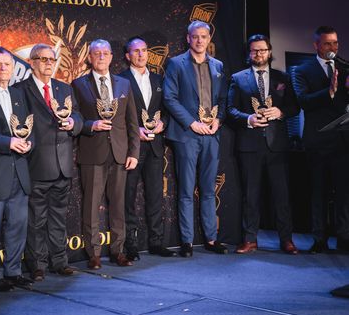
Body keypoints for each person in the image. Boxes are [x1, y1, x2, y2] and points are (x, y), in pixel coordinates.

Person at [15, 44, 83, 282]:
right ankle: (37, 265)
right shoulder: (20, 90)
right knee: (36, 220)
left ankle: (60, 262)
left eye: (51, 60)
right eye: (42, 59)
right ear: (31, 62)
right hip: (37, 164)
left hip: (63, 164)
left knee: (58, 218)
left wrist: (74, 123)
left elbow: (78, 116)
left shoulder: (64, 88)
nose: (48, 64)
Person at [227, 34, 300, 254]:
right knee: (251, 195)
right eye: (254, 50)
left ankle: (286, 239)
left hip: (277, 145)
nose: (259, 54)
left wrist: (281, 112)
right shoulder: (238, 78)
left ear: (269, 52)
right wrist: (248, 119)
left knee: (282, 195)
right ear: (249, 53)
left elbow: (294, 107)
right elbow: (230, 110)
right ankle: (250, 239)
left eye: (262, 50)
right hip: (250, 146)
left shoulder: (283, 77)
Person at [72, 39, 140, 269]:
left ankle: (118, 251)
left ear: (111, 57)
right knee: (91, 206)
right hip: (92, 152)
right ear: (89, 57)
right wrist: (91, 125)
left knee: (119, 205)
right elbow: (75, 118)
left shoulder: (124, 84)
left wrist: (134, 152)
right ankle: (93, 253)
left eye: (105, 53)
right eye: (96, 53)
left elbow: (132, 122)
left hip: (120, 154)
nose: (101, 57)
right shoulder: (78, 84)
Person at [163, 20, 228, 258]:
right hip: (187, 134)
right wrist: (192, 123)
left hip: (211, 134)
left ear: (209, 39)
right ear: (188, 39)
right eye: (195, 36)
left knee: (209, 189)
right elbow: (169, 98)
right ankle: (187, 241)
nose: (200, 40)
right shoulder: (175, 64)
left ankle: (211, 238)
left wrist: (218, 119)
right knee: (186, 190)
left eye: (204, 36)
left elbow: (223, 98)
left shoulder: (218, 65)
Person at [0, 47, 33, 292]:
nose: (3, 68)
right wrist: (7, 142)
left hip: (20, 172)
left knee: (17, 226)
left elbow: (29, 127)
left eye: (7, 64)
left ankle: (14, 271)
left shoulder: (19, 94)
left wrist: (28, 143)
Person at [292, 26, 349, 253]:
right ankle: (319, 239)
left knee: (344, 193)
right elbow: (303, 101)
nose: (332, 47)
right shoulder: (302, 70)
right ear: (316, 45)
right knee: (319, 192)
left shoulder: (345, 68)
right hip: (317, 141)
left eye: (335, 43)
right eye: (327, 43)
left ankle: (344, 237)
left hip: (342, 141)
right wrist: (330, 91)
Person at [118, 37, 176, 260]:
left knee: (155, 196)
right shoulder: (120, 80)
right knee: (128, 196)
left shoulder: (159, 79)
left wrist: (164, 124)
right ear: (128, 56)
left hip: (155, 147)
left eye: (144, 50)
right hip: (131, 148)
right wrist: (135, 131)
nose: (141, 54)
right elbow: (117, 115)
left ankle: (156, 242)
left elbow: (168, 109)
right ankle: (130, 245)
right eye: (136, 51)